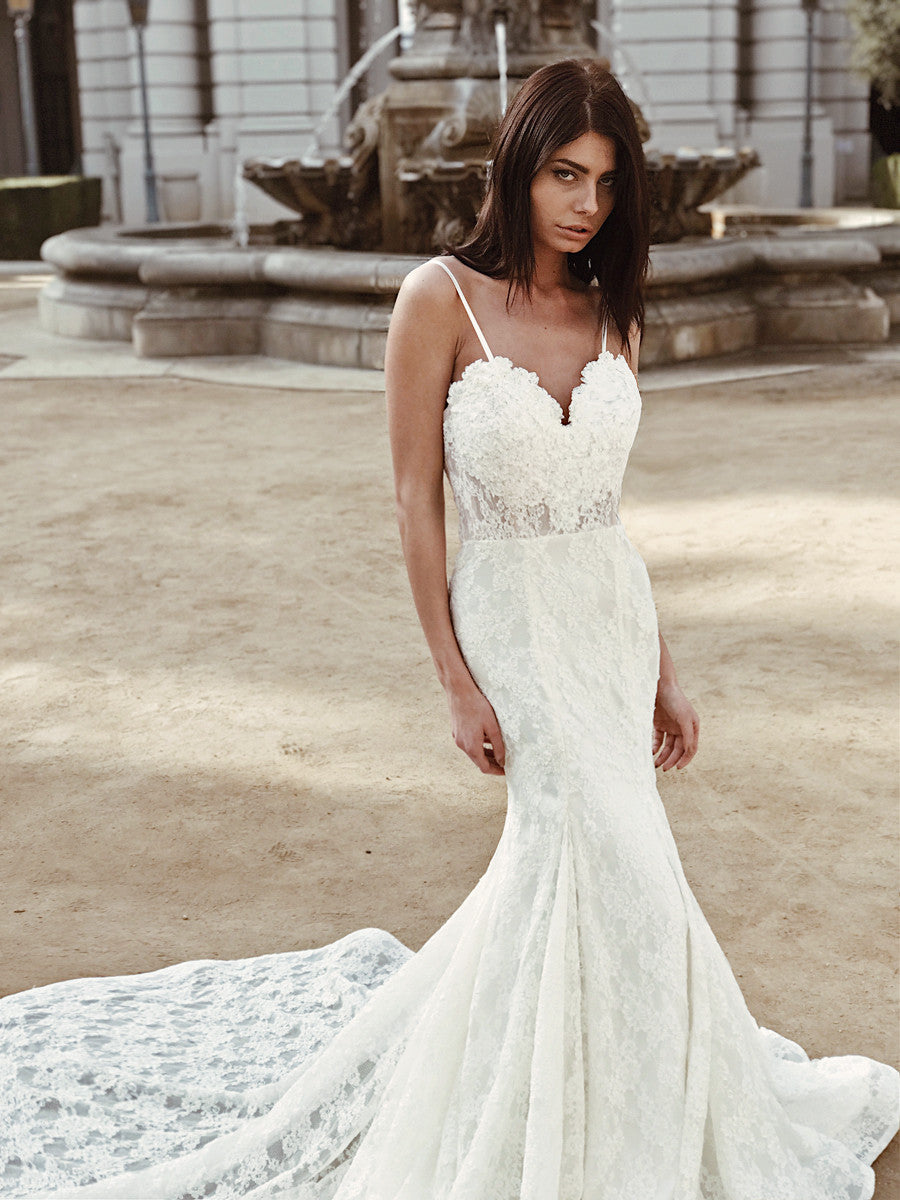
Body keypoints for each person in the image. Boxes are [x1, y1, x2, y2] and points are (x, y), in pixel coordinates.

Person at [1, 57, 897, 1200]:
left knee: (614, 864)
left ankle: (623, 1086)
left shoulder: (608, 303)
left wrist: (666, 666)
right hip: (514, 623)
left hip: (608, 620)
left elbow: (611, 514)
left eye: (608, 183)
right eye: (565, 174)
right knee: (596, 849)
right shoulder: (442, 298)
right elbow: (415, 498)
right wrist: (455, 681)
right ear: (518, 168)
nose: (585, 203)